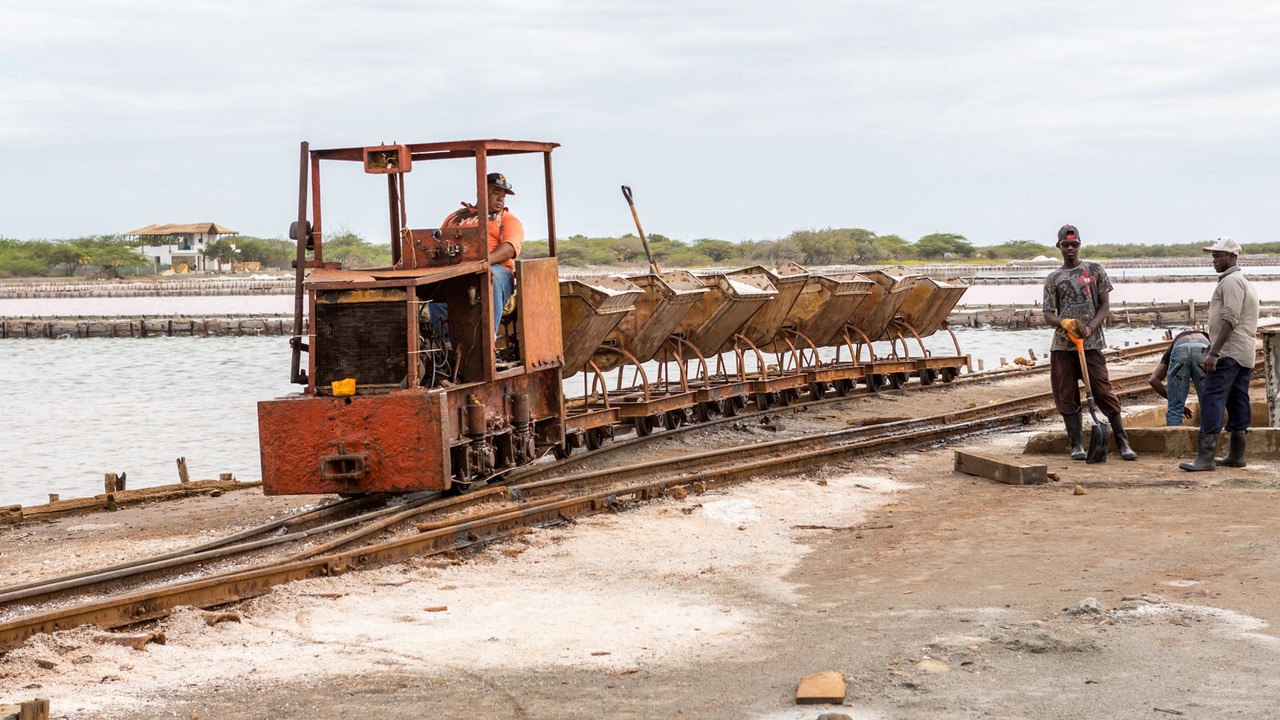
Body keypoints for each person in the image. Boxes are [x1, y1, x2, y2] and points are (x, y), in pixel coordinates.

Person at [1041, 224, 1137, 461]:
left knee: (1103, 391)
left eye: (1074, 244)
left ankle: (1123, 443)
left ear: (1080, 245)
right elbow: (1048, 314)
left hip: (1091, 345)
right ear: (1059, 247)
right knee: (1066, 393)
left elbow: (1104, 305)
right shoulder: (1053, 278)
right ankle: (1076, 445)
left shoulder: (1094, 271)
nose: (1070, 248)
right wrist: (1063, 323)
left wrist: (1091, 327)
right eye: (1066, 245)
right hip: (1063, 347)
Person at [1179, 237, 1260, 471]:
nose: (1213, 260)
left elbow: (1230, 318)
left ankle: (1205, 457)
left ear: (1232, 257)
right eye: (1213, 256)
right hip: (1243, 353)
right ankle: (1236, 454)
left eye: (1218, 256)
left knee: (1212, 398)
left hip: (1228, 353)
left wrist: (1214, 352)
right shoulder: (1242, 281)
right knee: (1237, 400)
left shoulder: (1231, 282)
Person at [430, 172, 524, 336]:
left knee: (489, 276)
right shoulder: (455, 217)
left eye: (503, 195)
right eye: (496, 193)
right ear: (481, 191)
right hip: (458, 269)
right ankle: (444, 343)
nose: (500, 199)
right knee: (435, 282)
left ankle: (488, 339)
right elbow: (439, 242)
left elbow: (509, 248)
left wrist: (481, 263)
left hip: (496, 269)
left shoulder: (506, 218)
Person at [1148, 329, 1210, 426]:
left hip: (1179, 349)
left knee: (1175, 409)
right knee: (1209, 406)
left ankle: (1174, 440)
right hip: (1202, 348)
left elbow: (1153, 380)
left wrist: (1174, 401)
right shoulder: (1209, 339)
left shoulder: (1174, 344)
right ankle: (1209, 440)